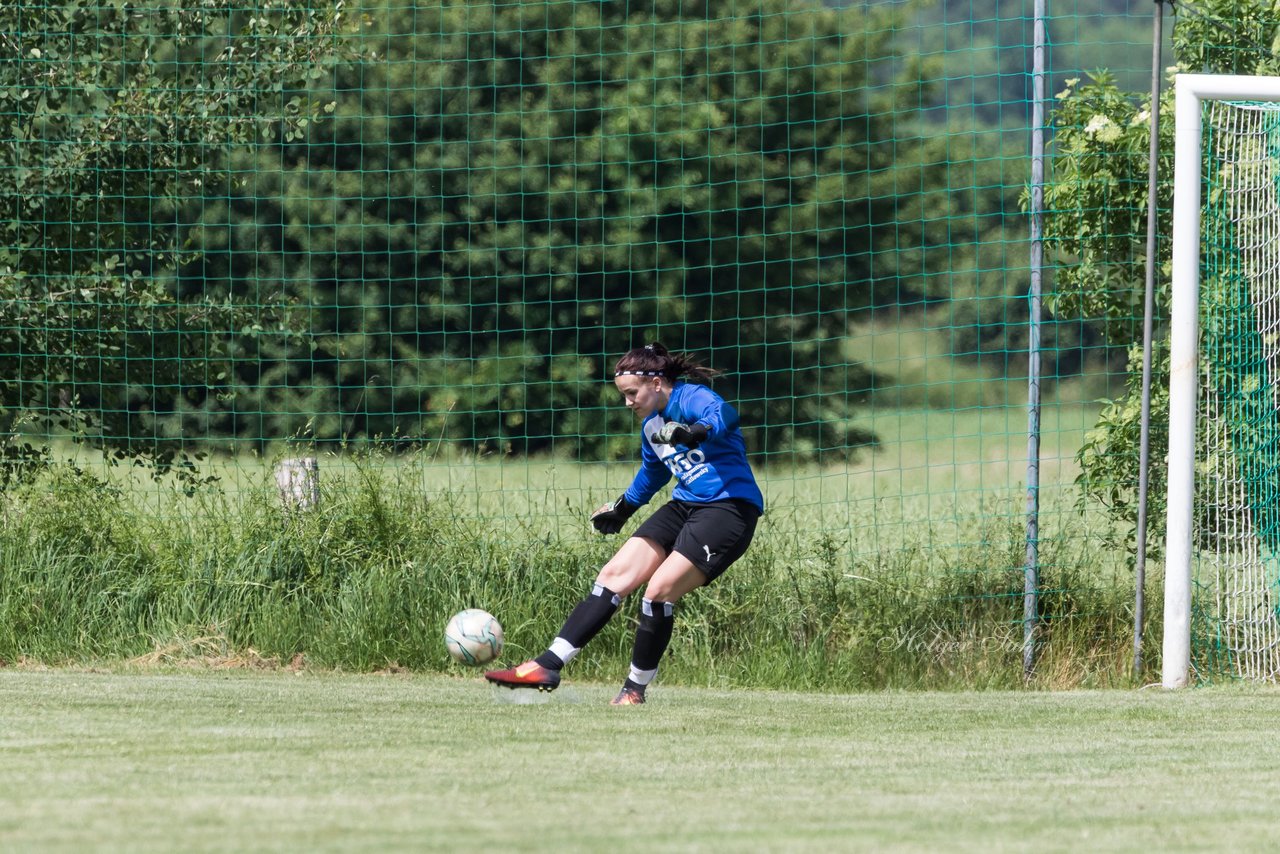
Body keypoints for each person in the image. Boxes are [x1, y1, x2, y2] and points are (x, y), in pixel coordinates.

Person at [484, 342, 764, 705]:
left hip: (729, 509)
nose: (628, 402)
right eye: (624, 395)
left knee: (658, 592)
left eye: (632, 393)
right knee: (613, 576)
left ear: (658, 383)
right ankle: (546, 665)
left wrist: (696, 432)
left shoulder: (691, 397)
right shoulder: (651, 425)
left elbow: (723, 413)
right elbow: (652, 474)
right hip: (685, 504)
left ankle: (634, 690)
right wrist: (623, 508)